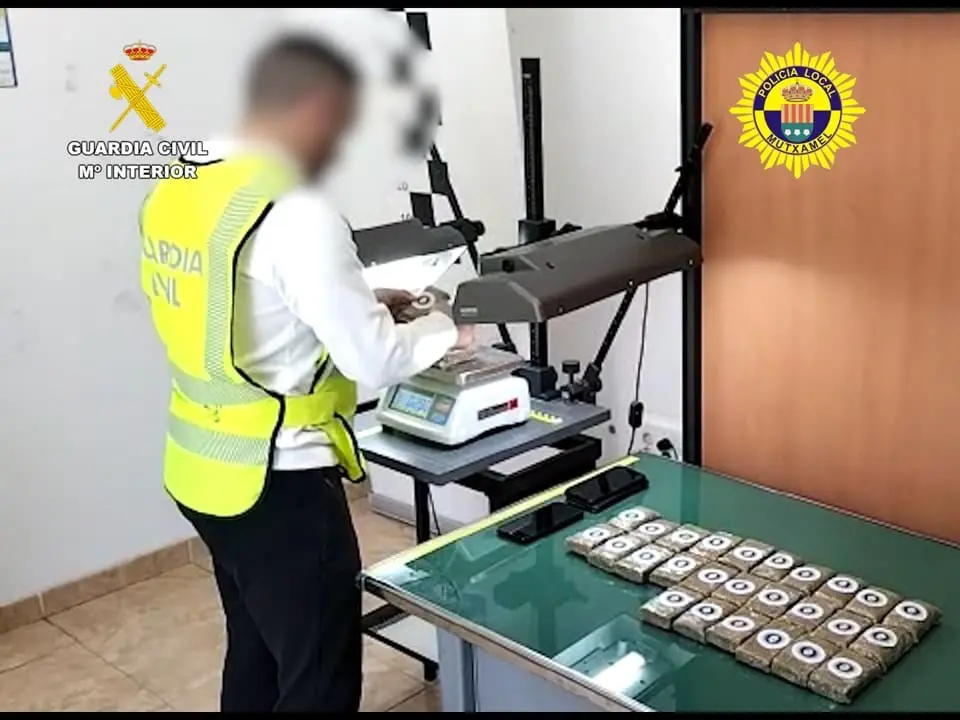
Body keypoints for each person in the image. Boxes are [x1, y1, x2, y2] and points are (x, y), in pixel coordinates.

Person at [139, 34, 473, 712]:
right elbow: (373, 361)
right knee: (318, 673)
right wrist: (449, 329)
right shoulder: (298, 212)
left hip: (201, 468)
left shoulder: (183, 181)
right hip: (279, 482)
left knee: (259, 647)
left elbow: (238, 302)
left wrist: (358, 302)